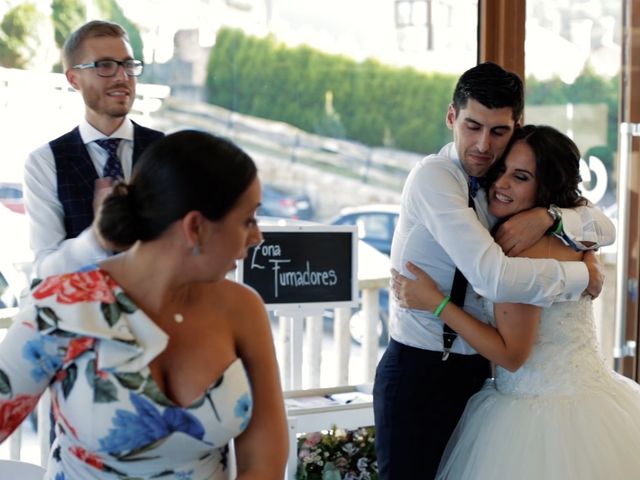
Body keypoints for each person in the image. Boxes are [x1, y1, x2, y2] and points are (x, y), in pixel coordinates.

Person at [372, 62, 616, 480]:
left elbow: (604, 227)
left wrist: (551, 218)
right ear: (452, 117)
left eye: (498, 131)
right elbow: (494, 278)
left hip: (478, 373)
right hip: (421, 371)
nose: (483, 144)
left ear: (516, 125)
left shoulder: (505, 184)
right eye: (472, 126)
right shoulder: (436, 178)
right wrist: (582, 277)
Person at [0, 130, 288, 479]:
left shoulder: (242, 308)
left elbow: (264, 461)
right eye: (248, 220)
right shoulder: (62, 306)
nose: (257, 237)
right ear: (195, 227)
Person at [24, 20, 164, 279]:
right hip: (82, 316)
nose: (123, 77)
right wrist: (97, 239)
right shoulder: (45, 162)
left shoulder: (166, 151)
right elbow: (45, 270)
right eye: (105, 66)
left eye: (128, 65)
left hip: (159, 312)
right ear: (73, 78)